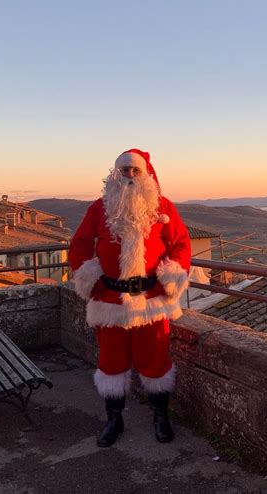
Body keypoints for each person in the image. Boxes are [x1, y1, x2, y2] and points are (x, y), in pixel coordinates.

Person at [68, 148, 191, 447]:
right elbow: (80, 245)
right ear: (116, 174)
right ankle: (114, 420)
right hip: (110, 302)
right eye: (124, 171)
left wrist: (171, 276)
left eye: (135, 170)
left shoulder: (164, 208)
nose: (130, 176)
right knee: (112, 363)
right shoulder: (99, 209)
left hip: (151, 301)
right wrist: (90, 277)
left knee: (156, 360)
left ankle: (161, 417)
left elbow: (182, 244)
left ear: (146, 173)